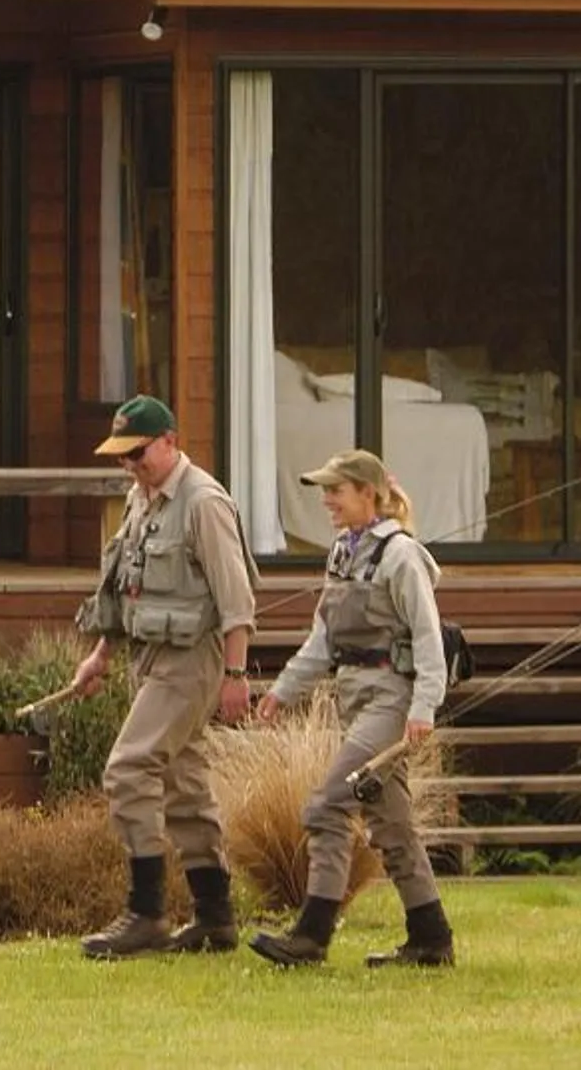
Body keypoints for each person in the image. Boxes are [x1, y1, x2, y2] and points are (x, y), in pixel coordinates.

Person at [66, 393, 259, 959]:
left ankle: (147, 913)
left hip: (192, 659)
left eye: (139, 453)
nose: (130, 464)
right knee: (184, 784)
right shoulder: (140, 499)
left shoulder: (203, 503)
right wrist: (101, 654)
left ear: (171, 441)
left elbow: (237, 598)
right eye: (123, 456)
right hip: (150, 655)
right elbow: (126, 584)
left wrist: (235, 673)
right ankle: (215, 917)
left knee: (129, 768)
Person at [249, 449, 456, 968]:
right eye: (324, 491)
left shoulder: (401, 555)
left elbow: (429, 640)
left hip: (392, 700)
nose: (326, 501)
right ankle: (431, 940)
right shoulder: (342, 552)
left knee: (327, 805)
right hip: (354, 696)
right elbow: (323, 639)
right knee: (391, 826)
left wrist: (424, 707)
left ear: (368, 494)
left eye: (335, 490)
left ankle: (311, 937)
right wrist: (282, 692)